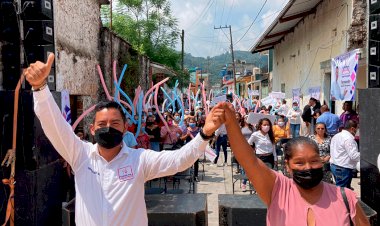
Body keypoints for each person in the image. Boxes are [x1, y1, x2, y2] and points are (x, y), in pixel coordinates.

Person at [24, 53, 225, 226]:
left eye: (115, 123)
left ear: (125, 127)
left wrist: (204, 134)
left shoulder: (140, 160)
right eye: (102, 124)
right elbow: (54, 126)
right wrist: (40, 89)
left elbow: (179, 160)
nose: (108, 128)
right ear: (92, 129)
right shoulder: (80, 155)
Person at [220, 102, 369, 225]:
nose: (308, 167)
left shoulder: (346, 198)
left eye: (314, 161)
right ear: (287, 166)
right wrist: (231, 123)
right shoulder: (277, 190)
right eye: (299, 163)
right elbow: (249, 160)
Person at [330, 120, 360, 189]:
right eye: (357, 129)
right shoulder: (349, 139)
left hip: (335, 166)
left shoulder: (336, 136)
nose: (357, 131)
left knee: (343, 189)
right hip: (343, 168)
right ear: (352, 129)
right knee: (342, 191)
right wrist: (365, 155)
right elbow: (354, 156)